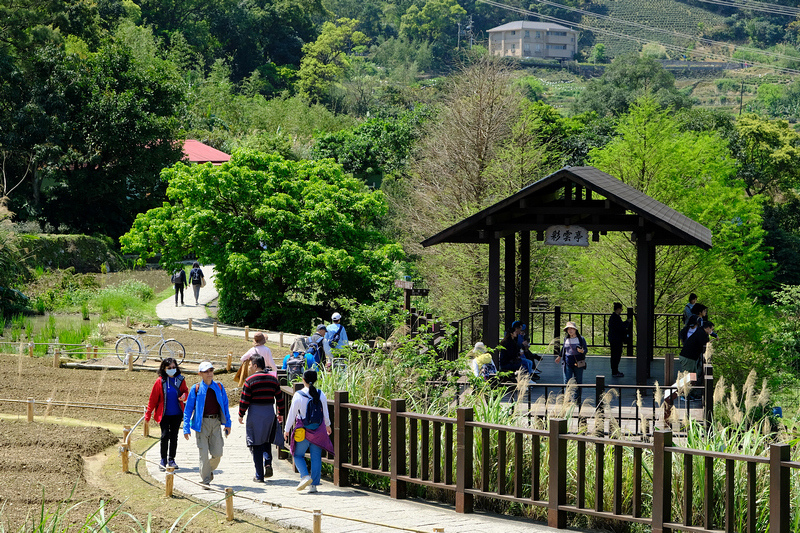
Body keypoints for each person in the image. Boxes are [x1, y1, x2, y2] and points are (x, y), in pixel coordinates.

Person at [183, 361, 232, 487]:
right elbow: (188, 409)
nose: (209, 374)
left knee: (218, 454)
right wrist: (186, 428)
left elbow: (225, 406)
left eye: (211, 370)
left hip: (216, 423)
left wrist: (228, 423)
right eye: (206, 371)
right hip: (201, 424)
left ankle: (207, 470)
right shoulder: (196, 388)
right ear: (200, 374)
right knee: (203, 454)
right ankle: (205, 481)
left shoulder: (219, 387)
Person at [283, 370, 333, 493]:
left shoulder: (299, 395)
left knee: (297, 454)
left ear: (303, 380)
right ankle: (314, 485)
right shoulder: (321, 394)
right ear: (315, 380)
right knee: (316, 457)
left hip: (303, 431)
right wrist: (328, 425)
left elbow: (292, 414)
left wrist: (286, 429)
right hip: (318, 430)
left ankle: (305, 476)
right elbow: (325, 413)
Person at [238, 354, 284, 482]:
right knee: (267, 439)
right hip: (269, 411)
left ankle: (259, 475)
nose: (250, 367)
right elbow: (279, 398)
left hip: (255, 413)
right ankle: (268, 462)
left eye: (251, 365)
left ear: (256, 365)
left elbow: (244, 400)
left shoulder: (250, 381)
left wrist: (241, 414)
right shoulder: (273, 380)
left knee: (255, 443)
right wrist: (280, 413)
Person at [145, 357, 188, 470]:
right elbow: (153, 399)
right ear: (164, 369)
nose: (172, 369)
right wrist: (148, 414)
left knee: (174, 436)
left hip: (177, 413)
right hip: (164, 414)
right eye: (169, 368)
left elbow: (185, 391)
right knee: (165, 436)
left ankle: (171, 459)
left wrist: (184, 396)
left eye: (174, 367)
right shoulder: (160, 381)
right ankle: (163, 459)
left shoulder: (181, 379)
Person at [555, 321, 588, 402]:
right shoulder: (566, 338)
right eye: (568, 329)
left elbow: (586, 350)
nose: (570, 331)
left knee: (578, 381)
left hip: (578, 362)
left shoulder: (581, 339)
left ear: (575, 330)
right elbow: (564, 349)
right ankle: (567, 399)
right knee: (567, 381)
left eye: (572, 329)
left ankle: (577, 399)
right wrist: (559, 356)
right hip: (567, 362)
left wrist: (582, 351)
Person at [608, 303, 627, 378]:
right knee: (616, 355)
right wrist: (627, 322)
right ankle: (615, 371)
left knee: (614, 355)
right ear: (618, 309)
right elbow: (621, 327)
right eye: (621, 309)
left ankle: (615, 370)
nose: (622, 310)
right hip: (616, 339)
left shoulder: (613, 317)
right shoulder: (615, 318)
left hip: (614, 339)